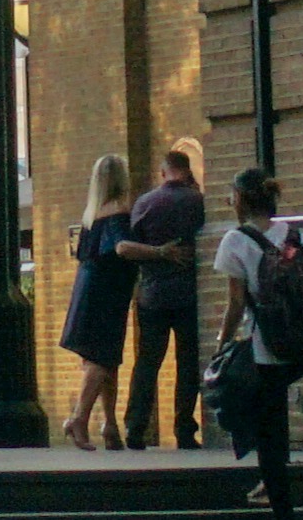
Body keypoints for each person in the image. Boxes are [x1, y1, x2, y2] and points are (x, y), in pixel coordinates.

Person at [202, 167, 303, 520]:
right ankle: (272, 481)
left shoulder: (236, 240)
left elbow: (236, 303)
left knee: (257, 412)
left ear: (240, 199)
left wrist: (222, 341)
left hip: (266, 342)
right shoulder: (297, 236)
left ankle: (277, 496)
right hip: (300, 342)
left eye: (231, 196)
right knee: (273, 408)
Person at [117, 145, 207, 448]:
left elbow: (128, 245)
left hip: (152, 294)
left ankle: (135, 427)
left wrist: (156, 255)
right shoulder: (198, 202)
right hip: (189, 295)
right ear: (188, 170)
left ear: (163, 172)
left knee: (147, 362)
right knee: (188, 362)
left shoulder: (145, 203)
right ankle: (185, 429)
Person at [57, 154, 136, 450]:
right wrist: (160, 252)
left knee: (105, 360)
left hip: (89, 287)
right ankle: (79, 418)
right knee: (100, 359)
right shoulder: (118, 212)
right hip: (107, 293)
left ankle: (111, 427)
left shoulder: (93, 214)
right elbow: (123, 247)